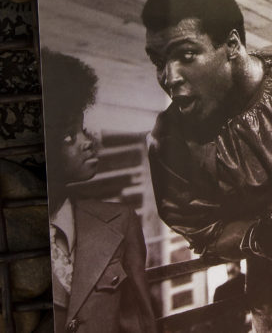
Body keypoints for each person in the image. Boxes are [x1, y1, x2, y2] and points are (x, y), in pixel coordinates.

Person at [142, 0, 272, 331]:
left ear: (231, 44)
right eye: (158, 61)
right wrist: (262, 234)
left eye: (185, 55)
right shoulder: (171, 141)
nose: (169, 78)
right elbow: (204, 231)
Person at [41, 50, 156, 332]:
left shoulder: (120, 221)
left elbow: (141, 320)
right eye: (69, 136)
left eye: (82, 129)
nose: (88, 142)